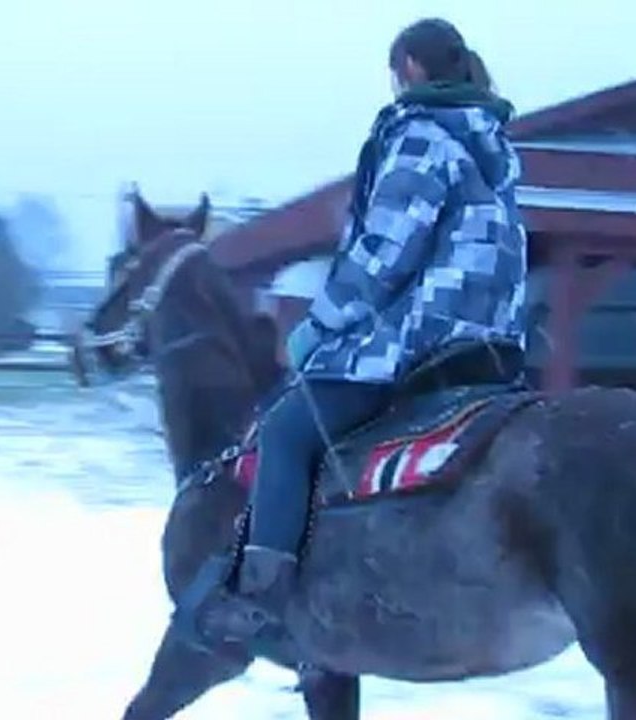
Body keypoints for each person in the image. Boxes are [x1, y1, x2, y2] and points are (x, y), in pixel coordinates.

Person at [199, 17, 528, 644]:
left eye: (392, 71)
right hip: (492, 344)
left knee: (286, 431)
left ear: (408, 67)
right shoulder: (494, 145)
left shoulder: (423, 135)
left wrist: (320, 325)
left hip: (423, 338)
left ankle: (260, 603)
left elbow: (382, 253)